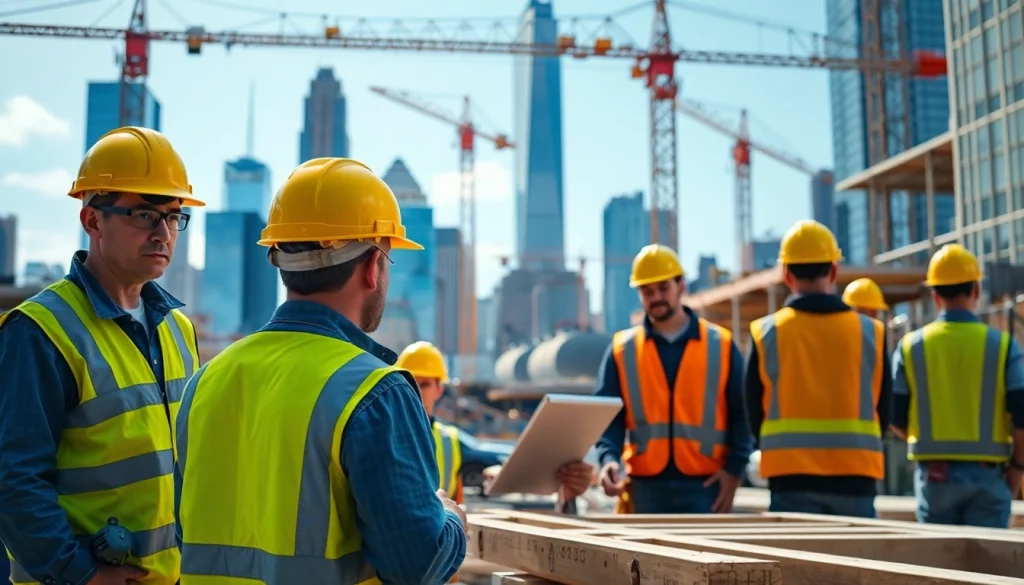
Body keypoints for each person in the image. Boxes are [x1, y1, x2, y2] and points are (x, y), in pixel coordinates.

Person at [174, 158, 466, 584]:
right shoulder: (375, 392)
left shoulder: (206, 381)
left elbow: (186, 531)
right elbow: (417, 565)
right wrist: (452, 520)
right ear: (372, 266)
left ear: (282, 261)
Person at [0, 126, 204, 585]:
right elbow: (14, 481)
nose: (164, 233)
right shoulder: (40, 331)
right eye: (146, 215)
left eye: (174, 217)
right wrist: (80, 574)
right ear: (93, 221)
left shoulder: (178, 329)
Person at [594, 244, 754, 514]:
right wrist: (608, 459)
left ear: (682, 286)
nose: (656, 297)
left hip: (706, 485)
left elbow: (743, 412)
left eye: (663, 288)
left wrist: (734, 470)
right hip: (644, 486)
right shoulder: (623, 349)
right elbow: (607, 416)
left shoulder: (721, 344)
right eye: (647, 291)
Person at [746, 219, 890, 518]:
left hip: (789, 479)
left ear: (786, 274)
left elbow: (753, 412)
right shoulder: (871, 332)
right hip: (857, 478)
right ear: (834, 270)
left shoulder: (766, 332)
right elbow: (884, 409)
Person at [891, 243, 1024, 528]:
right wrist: (1018, 468)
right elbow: (1022, 414)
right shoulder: (1002, 346)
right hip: (990, 475)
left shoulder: (910, 346)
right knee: (990, 569)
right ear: (976, 291)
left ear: (935, 295)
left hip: (934, 476)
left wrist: (927, 441)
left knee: (939, 566)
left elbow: (895, 416)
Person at [396, 341, 595, 509]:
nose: (416, 392)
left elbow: (456, 504)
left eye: (424, 384)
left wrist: (566, 476)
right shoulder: (386, 434)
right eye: (411, 383)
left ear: (439, 389)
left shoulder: (450, 440)